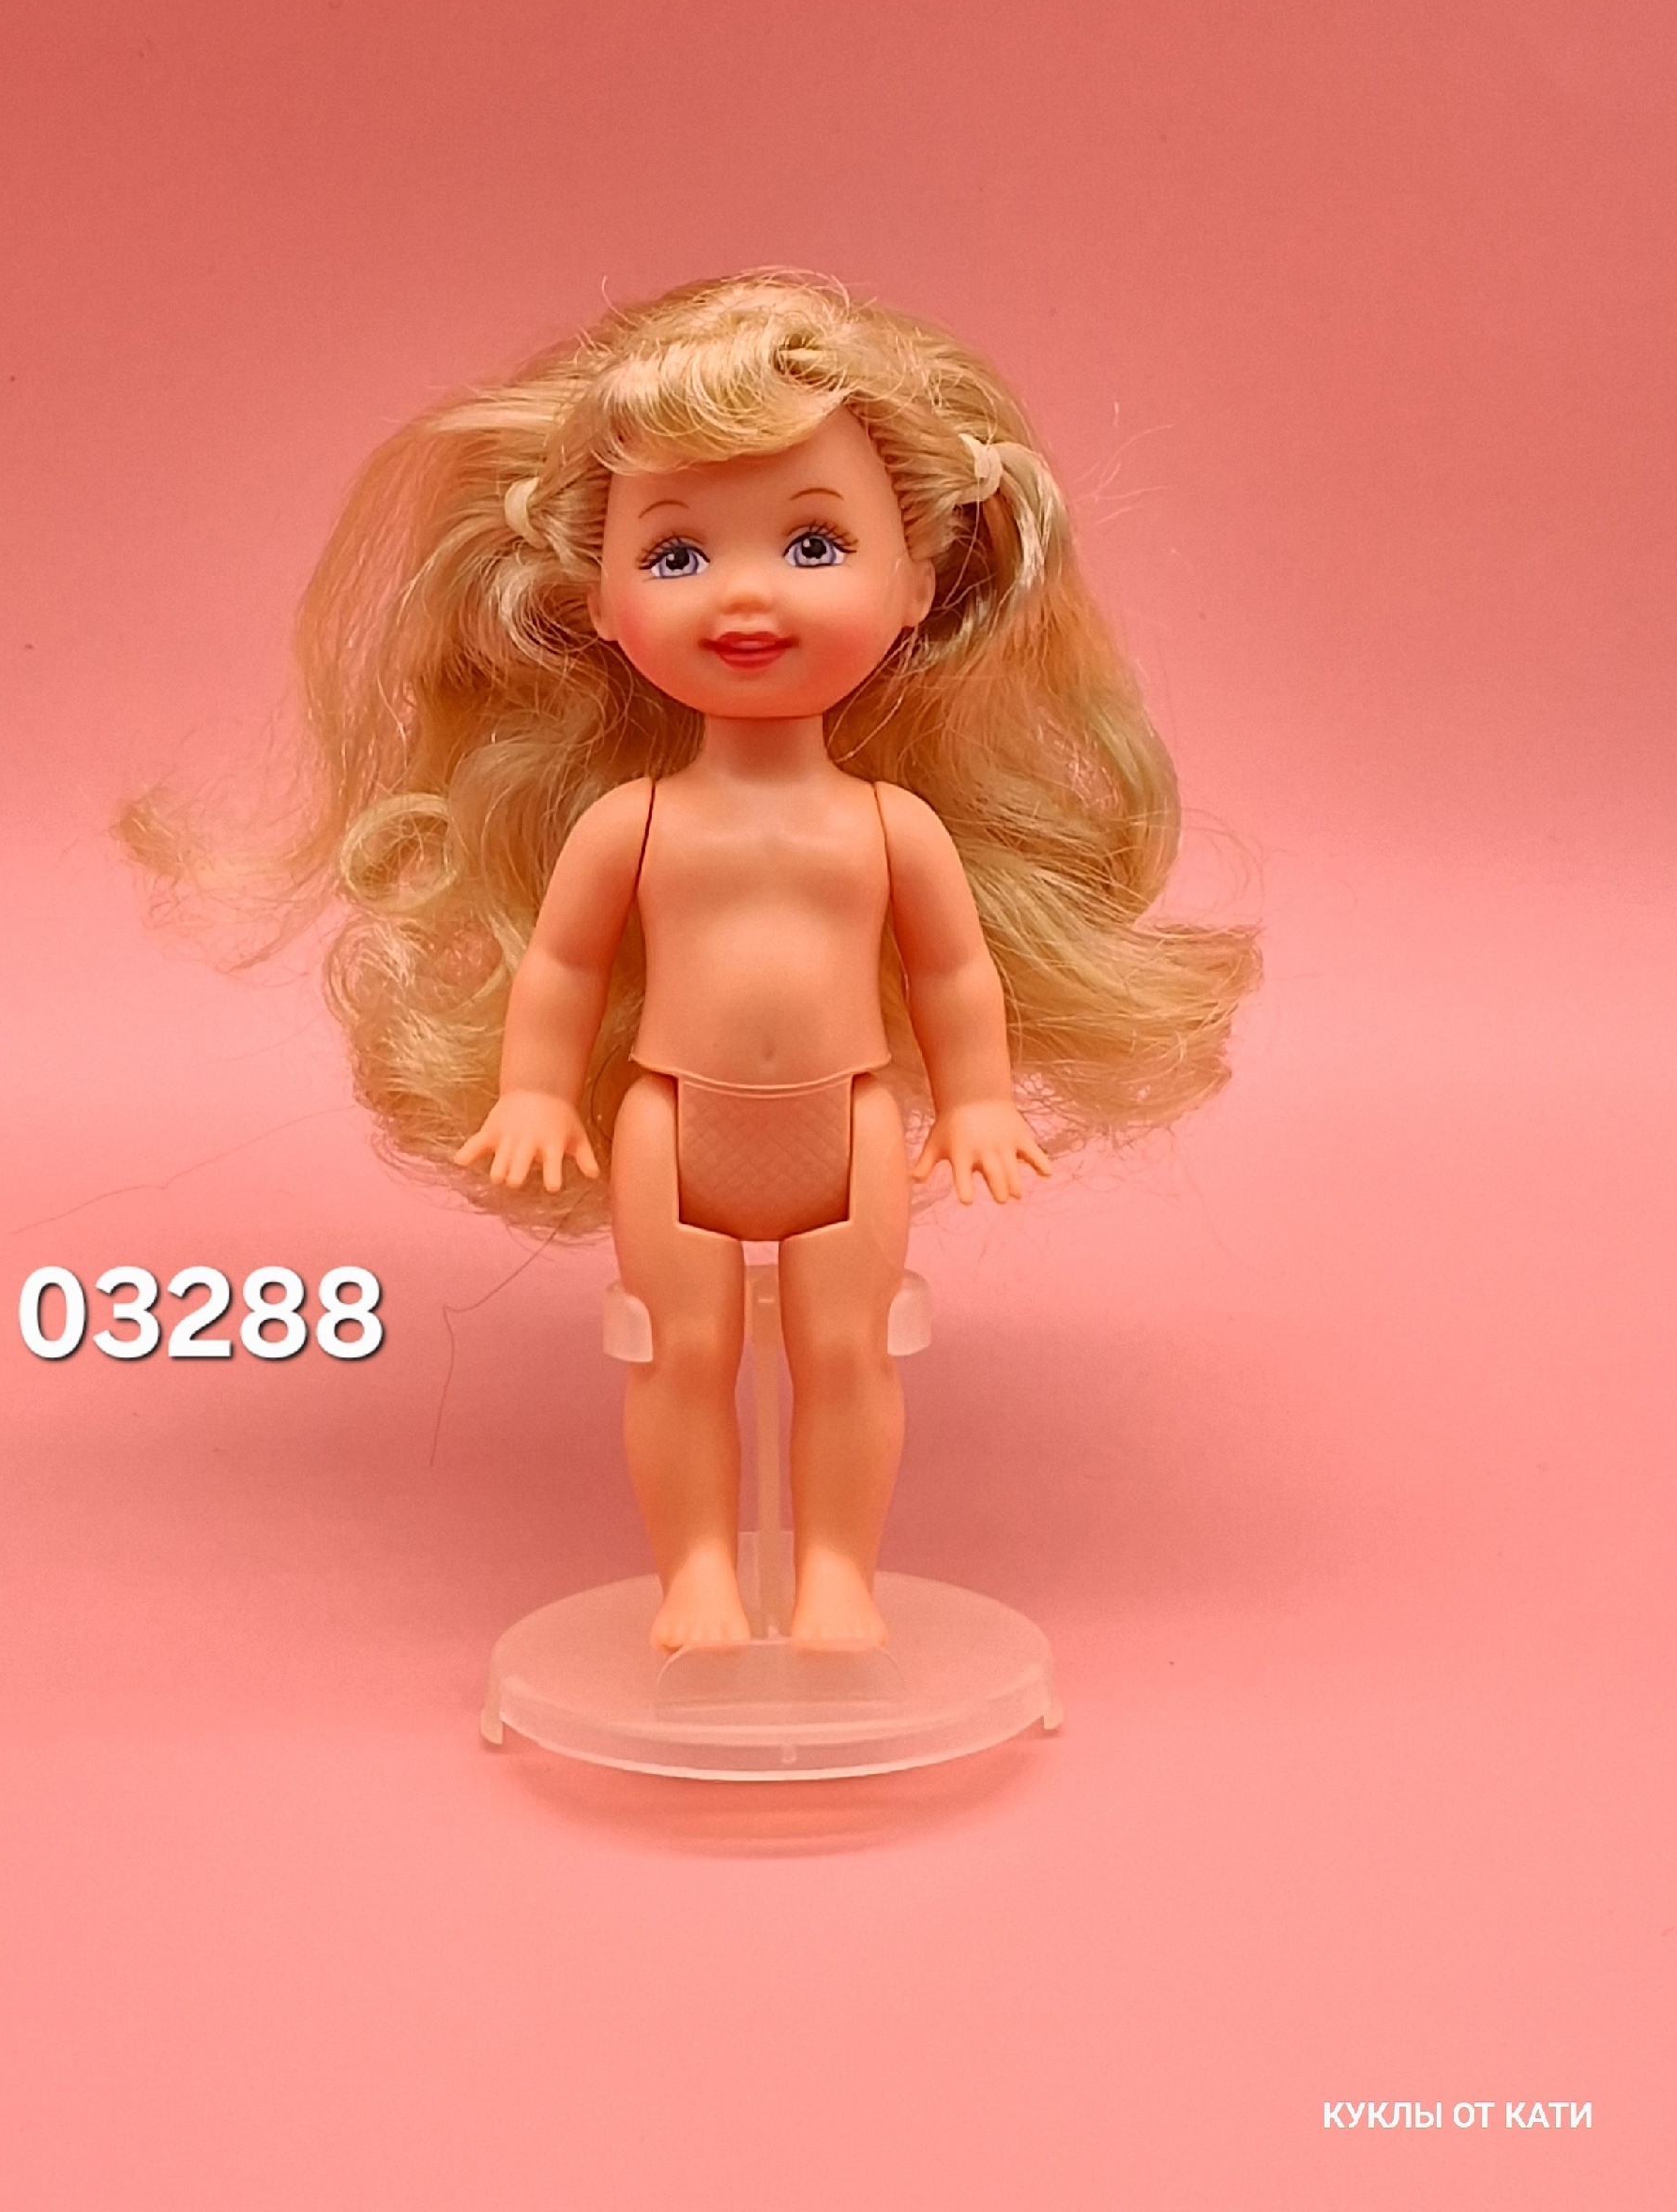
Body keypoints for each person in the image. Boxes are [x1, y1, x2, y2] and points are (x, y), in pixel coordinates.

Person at [122, 270, 1257, 1649]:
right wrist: (536, 1090)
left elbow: (956, 976)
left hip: (846, 1124)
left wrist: (975, 1100)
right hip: (672, 1124)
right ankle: (700, 1579)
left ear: (917, 583)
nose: (746, 595)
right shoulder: (634, 823)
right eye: (675, 558)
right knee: (679, 1355)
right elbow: (562, 969)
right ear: (596, 600)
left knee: (847, 1356)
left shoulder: (891, 827)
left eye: (815, 544)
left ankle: (835, 1578)